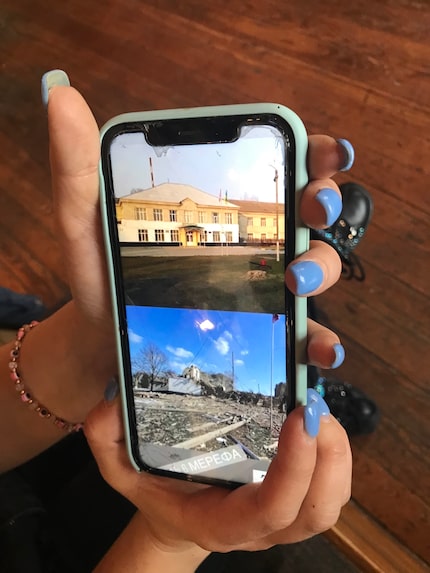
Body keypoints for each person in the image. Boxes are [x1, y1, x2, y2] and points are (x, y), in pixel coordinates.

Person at [0, 70, 353, 572]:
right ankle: (339, 252)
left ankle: (325, 275)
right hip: (76, 517)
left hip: (55, 447)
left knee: (278, 294)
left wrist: (88, 345)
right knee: (286, 302)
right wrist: (171, 541)